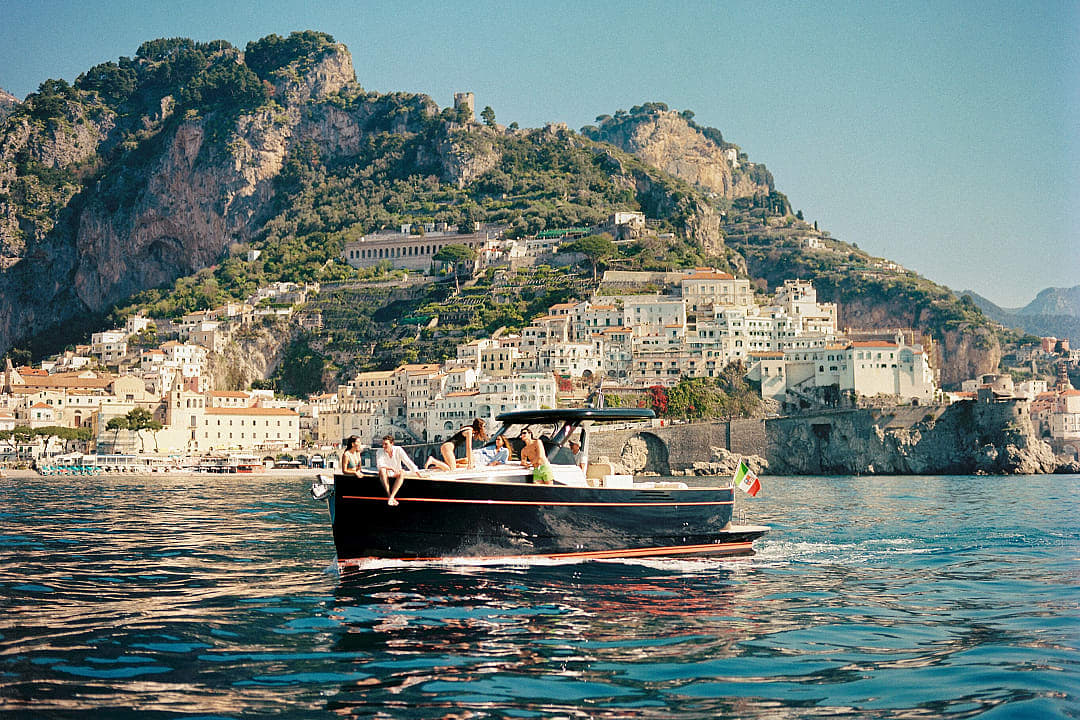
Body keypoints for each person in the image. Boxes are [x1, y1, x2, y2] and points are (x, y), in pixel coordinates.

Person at [376, 434, 420, 506]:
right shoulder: (379, 451)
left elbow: (407, 461)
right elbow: (380, 465)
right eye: (383, 444)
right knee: (382, 470)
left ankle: (391, 497)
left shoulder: (398, 449)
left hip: (396, 472)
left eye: (386, 444)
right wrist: (390, 468)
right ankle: (389, 495)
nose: (383, 446)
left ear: (392, 444)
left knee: (402, 472)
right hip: (386, 473)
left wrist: (417, 472)